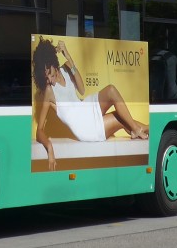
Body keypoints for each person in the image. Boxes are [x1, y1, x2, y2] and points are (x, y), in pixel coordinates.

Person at [32, 38, 148, 172]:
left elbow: (82, 90)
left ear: (54, 64)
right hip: (85, 127)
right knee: (120, 119)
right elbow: (39, 130)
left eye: (50, 75)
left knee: (111, 91)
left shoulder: (66, 69)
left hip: (87, 107)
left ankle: (139, 129)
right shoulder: (49, 91)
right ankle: (139, 129)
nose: (50, 80)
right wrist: (49, 148)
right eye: (46, 78)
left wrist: (68, 57)